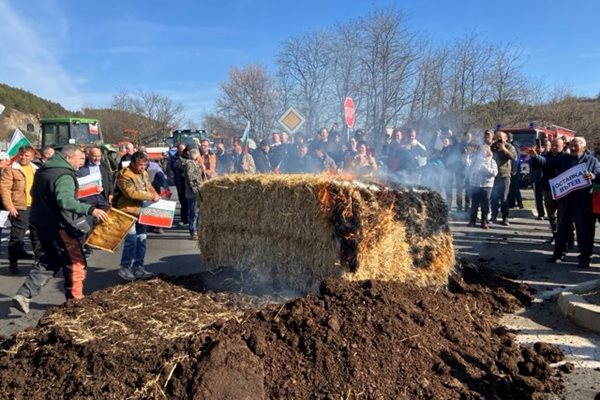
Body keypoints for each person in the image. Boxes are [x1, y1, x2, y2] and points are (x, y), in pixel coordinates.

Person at [12, 145, 108, 314]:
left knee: (50, 260)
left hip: (42, 224)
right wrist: (91, 209)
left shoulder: (43, 171)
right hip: (60, 226)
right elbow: (65, 201)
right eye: (80, 159)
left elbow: (34, 193)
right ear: (69, 157)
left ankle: (24, 294)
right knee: (76, 263)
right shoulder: (64, 175)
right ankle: (76, 303)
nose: (81, 163)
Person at [530, 137, 600, 268]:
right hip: (565, 200)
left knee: (583, 230)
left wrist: (594, 176)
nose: (573, 147)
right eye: (571, 144)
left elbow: (599, 175)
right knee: (562, 228)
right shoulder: (564, 159)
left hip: (583, 201)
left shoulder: (592, 161)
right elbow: (547, 162)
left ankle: (585, 257)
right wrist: (536, 157)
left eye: (576, 145)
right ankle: (558, 254)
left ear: (583, 147)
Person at [114, 151, 160, 281]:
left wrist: (156, 194)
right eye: (140, 165)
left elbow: (148, 186)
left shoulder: (144, 173)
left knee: (142, 239)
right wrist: (151, 196)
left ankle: (138, 266)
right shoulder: (124, 175)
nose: (143, 168)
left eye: (145, 165)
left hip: (142, 210)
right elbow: (131, 193)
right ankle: (125, 267)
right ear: (133, 163)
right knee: (131, 240)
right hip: (128, 211)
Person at [0, 145, 38, 275]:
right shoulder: (11, 170)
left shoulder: (35, 169)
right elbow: (5, 189)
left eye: (27, 155)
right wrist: (10, 206)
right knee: (17, 237)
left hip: (34, 207)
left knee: (36, 236)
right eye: (22, 155)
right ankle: (13, 263)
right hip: (19, 207)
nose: (24, 157)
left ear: (32, 157)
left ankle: (39, 262)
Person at [467, 145, 498, 229]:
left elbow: (495, 173)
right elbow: (468, 167)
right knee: (474, 204)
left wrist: (486, 169)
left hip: (486, 186)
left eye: (485, 151)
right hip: (475, 185)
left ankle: (484, 222)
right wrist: (468, 155)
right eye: (481, 151)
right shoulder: (474, 161)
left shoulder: (492, 162)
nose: (482, 153)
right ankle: (472, 221)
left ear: (488, 152)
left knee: (485, 205)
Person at [490, 131, 517, 225]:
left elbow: (513, 157)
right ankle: (493, 216)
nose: (499, 139)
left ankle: (505, 217)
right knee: (494, 198)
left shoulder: (510, 147)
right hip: (494, 176)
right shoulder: (493, 146)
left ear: (506, 138)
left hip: (505, 175)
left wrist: (503, 149)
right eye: (497, 137)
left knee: (504, 198)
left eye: (501, 137)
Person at [183, 148, 205, 240]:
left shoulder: (193, 164)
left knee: (196, 212)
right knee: (194, 213)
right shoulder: (190, 164)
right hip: (193, 193)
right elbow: (190, 177)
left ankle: (196, 230)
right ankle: (193, 231)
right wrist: (196, 189)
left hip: (194, 192)